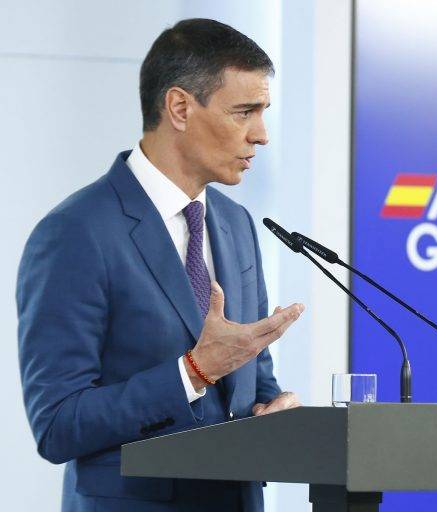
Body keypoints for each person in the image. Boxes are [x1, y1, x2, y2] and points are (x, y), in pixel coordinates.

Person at [16, 18, 304, 512]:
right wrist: (191, 373)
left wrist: (274, 410)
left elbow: (252, 381)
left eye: (264, 112)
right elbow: (58, 425)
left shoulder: (237, 226)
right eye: (244, 112)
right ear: (179, 107)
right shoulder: (76, 232)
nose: (261, 135)